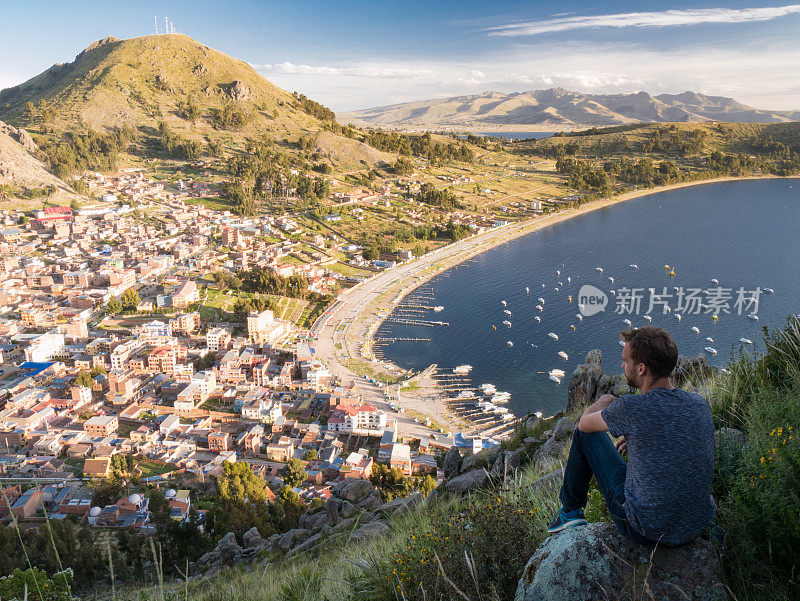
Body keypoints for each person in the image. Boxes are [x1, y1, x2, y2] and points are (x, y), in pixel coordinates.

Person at [546, 326, 716, 546]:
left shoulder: (631, 407)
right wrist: (639, 438)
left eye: (625, 361)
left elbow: (584, 425)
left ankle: (570, 511)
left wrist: (603, 401)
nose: (622, 365)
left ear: (641, 368)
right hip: (695, 526)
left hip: (646, 529)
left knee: (584, 435)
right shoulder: (699, 404)